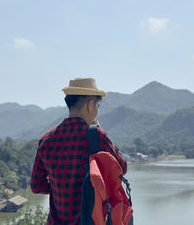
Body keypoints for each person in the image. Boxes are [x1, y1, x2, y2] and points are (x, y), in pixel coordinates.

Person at [31, 78, 127, 225]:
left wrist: (61, 185)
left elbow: (37, 186)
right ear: (90, 105)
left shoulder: (46, 140)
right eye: (98, 105)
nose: (97, 110)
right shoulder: (96, 136)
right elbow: (121, 168)